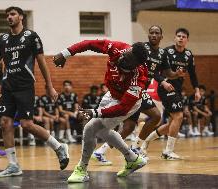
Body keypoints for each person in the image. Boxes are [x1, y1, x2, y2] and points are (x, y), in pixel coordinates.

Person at [0, 6, 69, 177]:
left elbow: (42, 62)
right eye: (7, 15)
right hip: (7, 87)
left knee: (26, 124)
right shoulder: (3, 39)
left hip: (25, 86)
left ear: (21, 17)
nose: (9, 17)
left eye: (13, 14)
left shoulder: (31, 36)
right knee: (5, 123)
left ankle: (59, 147)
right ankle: (13, 165)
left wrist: (49, 86)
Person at [54, 39, 149, 182]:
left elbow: (123, 108)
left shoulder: (138, 77)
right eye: (125, 54)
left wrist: (95, 112)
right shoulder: (118, 49)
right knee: (101, 130)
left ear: (135, 65)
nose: (121, 59)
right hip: (111, 93)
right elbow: (89, 43)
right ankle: (132, 159)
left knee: (91, 127)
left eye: (126, 60)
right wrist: (66, 53)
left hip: (127, 102)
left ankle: (82, 169)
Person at [91, 25, 185, 164]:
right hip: (133, 88)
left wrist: (175, 74)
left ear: (161, 37)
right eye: (151, 32)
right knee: (156, 116)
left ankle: (100, 152)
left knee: (129, 127)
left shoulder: (162, 54)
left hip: (139, 91)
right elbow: (142, 70)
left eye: (156, 33)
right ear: (148, 35)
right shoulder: (141, 50)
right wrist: (162, 82)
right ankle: (136, 148)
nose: (153, 35)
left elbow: (165, 72)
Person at [142, 28, 201, 160]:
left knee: (171, 124)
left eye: (183, 36)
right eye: (178, 36)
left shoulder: (188, 55)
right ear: (174, 38)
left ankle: (145, 142)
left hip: (177, 89)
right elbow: (155, 71)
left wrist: (196, 89)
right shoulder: (166, 52)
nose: (180, 38)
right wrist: (162, 82)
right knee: (179, 116)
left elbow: (192, 74)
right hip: (166, 88)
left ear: (187, 40)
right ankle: (168, 151)